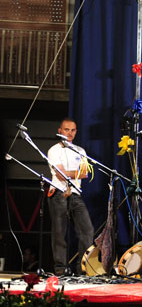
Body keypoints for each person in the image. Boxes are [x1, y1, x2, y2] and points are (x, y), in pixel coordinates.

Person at [46, 118, 94, 275]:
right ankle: (60, 269)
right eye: (67, 130)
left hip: (75, 194)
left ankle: (83, 269)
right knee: (60, 232)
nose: (70, 133)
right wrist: (75, 173)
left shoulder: (80, 151)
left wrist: (71, 173)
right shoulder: (54, 150)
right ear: (60, 130)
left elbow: (85, 173)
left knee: (87, 230)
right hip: (59, 192)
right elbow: (60, 174)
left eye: (73, 130)